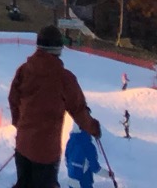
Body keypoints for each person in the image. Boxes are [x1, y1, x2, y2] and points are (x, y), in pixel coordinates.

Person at [7, 26, 100, 188]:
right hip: (46, 151)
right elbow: (78, 110)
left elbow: (13, 100)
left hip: (23, 144)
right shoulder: (64, 78)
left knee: (24, 184)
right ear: (58, 48)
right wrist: (93, 127)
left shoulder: (24, 70)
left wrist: (20, 125)